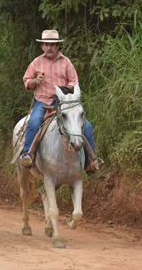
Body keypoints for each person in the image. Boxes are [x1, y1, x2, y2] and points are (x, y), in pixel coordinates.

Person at [20, 30, 103, 173]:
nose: (49, 47)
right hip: (43, 102)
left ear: (58, 46)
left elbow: (74, 81)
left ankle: (91, 161)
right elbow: (27, 81)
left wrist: (66, 89)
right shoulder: (36, 62)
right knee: (34, 122)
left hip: (63, 102)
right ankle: (28, 155)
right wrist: (35, 81)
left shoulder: (66, 62)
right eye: (46, 44)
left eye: (53, 44)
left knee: (86, 126)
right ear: (42, 46)